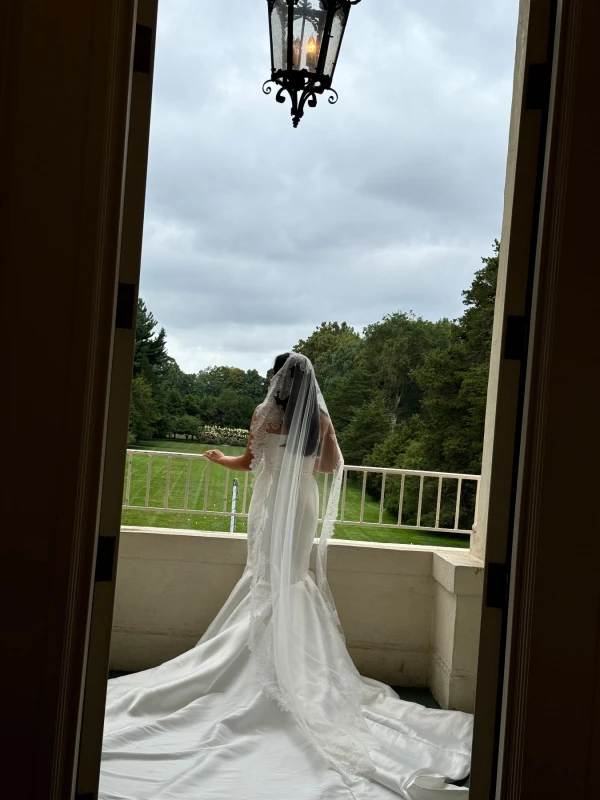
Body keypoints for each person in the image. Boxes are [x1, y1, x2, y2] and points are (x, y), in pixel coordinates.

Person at [100, 353, 472, 799]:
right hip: (301, 504)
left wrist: (218, 458)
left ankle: (259, 658)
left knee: (265, 574)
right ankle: (297, 661)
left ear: (278, 379)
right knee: (292, 575)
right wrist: (327, 433)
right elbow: (328, 467)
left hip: (272, 501)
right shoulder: (318, 419)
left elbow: (248, 463)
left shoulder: (263, 414)